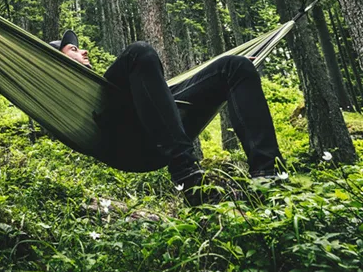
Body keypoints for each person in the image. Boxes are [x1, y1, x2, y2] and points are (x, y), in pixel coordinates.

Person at [49, 30, 285, 205]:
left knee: (236, 66)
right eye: (73, 50)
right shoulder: (65, 97)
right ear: (55, 61)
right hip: (123, 139)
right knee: (138, 52)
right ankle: (190, 179)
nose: (84, 51)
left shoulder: (117, 88)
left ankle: (268, 179)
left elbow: (160, 96)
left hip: (156, 127)